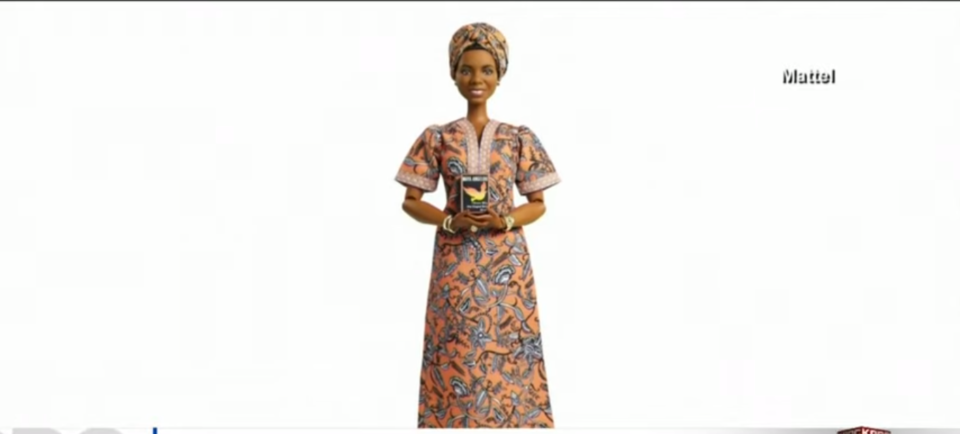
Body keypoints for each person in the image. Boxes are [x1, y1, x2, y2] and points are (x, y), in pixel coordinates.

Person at [396, 22, 560, 429]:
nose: (476, 79)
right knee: (455, 349)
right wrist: (451, 220)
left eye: (487, 70)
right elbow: (411, 201)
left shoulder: (518, 138)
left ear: (500, 75)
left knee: (510, 346)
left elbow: (538, 204)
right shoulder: (438, 137)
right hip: (455, 262)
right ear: (453, 74)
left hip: (507, 266)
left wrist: (504, 219)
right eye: (466, 70)